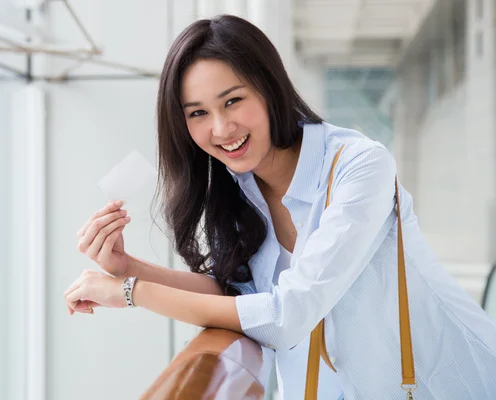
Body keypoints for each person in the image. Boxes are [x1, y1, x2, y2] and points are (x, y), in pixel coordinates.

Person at [64, 15, 496, 399]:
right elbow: (239, 297)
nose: (220, 128)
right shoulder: (237, 191)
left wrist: (131, 293)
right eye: (197, 113)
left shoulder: (359, 167)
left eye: (233, 100)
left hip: (454, 384)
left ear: (270, 88)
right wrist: (128, 267)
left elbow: (285, 315)